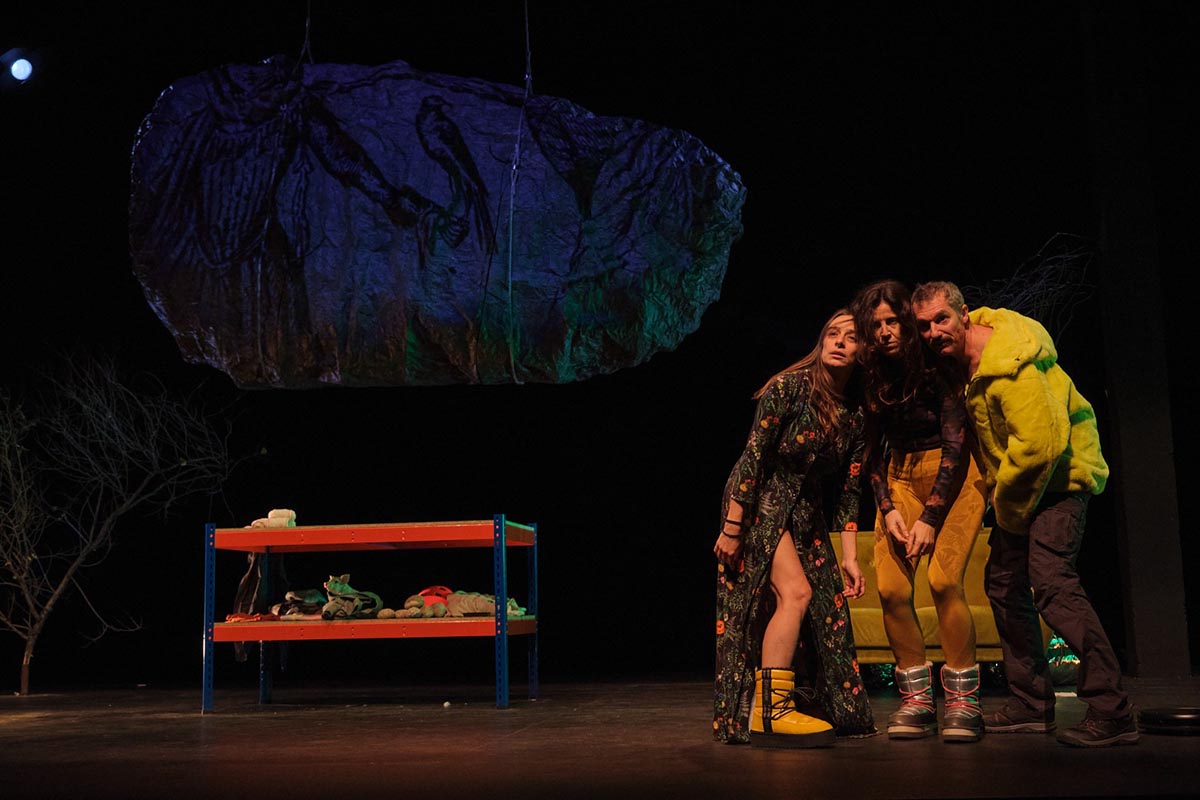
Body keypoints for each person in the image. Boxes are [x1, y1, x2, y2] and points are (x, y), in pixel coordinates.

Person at [910, 280, 1138, 748]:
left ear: (964, 314)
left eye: (941, 319)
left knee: (1051, 583)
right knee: (1002, 585)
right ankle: (1031, 703)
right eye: (924, 326)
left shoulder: (1012, 364)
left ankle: (1112, 710)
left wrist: (1007, 508)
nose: (933, 332)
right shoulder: (965, 363)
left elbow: (1040, 448)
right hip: (1023, 489)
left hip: (1061, 482)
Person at [712, 308, 876, 747]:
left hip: (805, 510)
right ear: (820, 343)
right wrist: (732, 526)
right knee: (796, 593)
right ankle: (771, 711)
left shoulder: (856, 415)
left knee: (829, 607)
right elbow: (753, 456)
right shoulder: (788, 388)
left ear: (863, 352)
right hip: (758, 501)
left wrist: (850, 558)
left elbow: (850, 492)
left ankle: (820, 705)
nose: (839, 342)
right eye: (832, 334)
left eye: (851, 337)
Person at [849, 280, 988, 742]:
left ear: (906, 323)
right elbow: (871, 450)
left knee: (944, 581)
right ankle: (916, 701)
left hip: (955, 474)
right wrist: (887, 506)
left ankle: (965, 703)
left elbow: (955, 443)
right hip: (901, 477)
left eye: (892, 321)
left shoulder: (934, 364)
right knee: (891, 588)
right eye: (875, 325)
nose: (885, 332)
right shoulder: (872, 375)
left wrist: (929, 517)